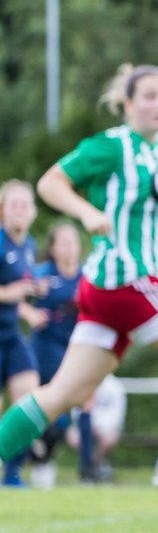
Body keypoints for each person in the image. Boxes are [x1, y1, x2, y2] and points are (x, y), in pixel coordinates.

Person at [0, 64, 158, 496]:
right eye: (149, 96)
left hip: (107, 291)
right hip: (125, 279)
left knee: (62, 394)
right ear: (127, 104)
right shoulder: (111, 146)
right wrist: (86, 213)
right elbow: (50, 183)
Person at [26, 222, 98, 486]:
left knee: (86, 403)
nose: (69, 247)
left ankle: (88, 470)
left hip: (78, 348)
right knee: (55, 410)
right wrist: (31, 313)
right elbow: (16, 298)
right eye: (63, 242)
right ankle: (37, 453)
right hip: (45, 351)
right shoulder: (41, 275)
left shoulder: (88, 276)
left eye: (73, 242)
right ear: (53, 248)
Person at [0, 181, 46, 488]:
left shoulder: (28, 246)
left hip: (11, 334)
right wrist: (10, 293)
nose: (19, 208)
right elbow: (9, 292)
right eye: (13, 203)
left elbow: (16, 296)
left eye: (24, 204)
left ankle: (13, 473)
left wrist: (28, 305)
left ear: (33, 212)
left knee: (29, 400)